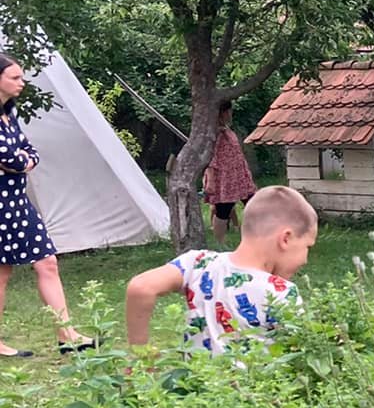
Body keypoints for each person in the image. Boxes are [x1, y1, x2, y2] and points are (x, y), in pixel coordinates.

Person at [125, 184, 318, 353]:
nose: (306, 260)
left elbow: (141, 287)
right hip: (257, 385)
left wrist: (141, 355)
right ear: (286, 239)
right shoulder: (282, 293)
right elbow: (301, 354)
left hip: (197, 383)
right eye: (307, 247)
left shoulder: (197, 262)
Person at [0, 52, 95, 358]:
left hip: (17, 200)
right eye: (15, 77)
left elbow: (28, 152)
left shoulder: (8, 115)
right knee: (1, 272)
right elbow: (10, 158)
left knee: (47, 262)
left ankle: (67, 334)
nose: (22, 82)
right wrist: (20, 161)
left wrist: (22, 160)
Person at [204, 103, 258, 245]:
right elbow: (210, 156)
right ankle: (220, 243)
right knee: (223, 210)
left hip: (239, 176)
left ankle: (255, 239)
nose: (231, 114)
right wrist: (210, 179)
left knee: (254, 205)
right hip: (224, 178)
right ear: (223, 113)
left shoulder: (226, 130)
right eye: (229, 111)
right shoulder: (213, 132)